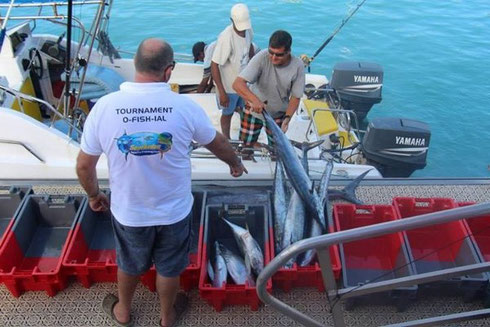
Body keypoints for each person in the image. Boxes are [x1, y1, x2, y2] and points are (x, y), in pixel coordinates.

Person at [76, 38, 246, 327]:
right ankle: (167, 318)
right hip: (174, 212)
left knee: (129, 263)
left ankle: (123, 313)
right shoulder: (184, 107)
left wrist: (94, 195)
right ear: (169, 70)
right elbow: (217, 143)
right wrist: (235, 163)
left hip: (129, 213)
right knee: (169, 268)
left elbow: (83, 165)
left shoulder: (104, 107)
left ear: (136, 66)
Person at [232, 30, 305, 147]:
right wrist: (255, 101)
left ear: (288, 52)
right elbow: (237, 84)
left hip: (278, 114)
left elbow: (296, 97)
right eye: (271, 52)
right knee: (245, 145)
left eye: (279, 55)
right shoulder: (262, 56)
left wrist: (287, 119)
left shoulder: (298, 65)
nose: (273, 57)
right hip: (253, 111)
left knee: (277, 148)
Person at [211, 3, 255, 139]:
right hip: (229, 87)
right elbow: (214, 65)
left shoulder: (248, 30)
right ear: (232, 21)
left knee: (245, 110)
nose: (243, 30)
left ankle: (244, 136)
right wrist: (222, 92)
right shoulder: (226, 38)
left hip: (243, 83)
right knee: (227, 113)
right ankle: (227, 139)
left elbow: (250, 46)